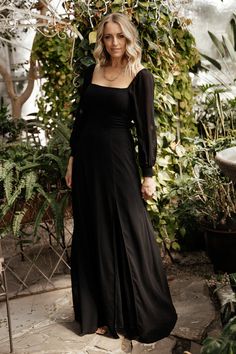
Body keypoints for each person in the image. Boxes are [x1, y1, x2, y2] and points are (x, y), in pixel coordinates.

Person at [65, 12, 177, 351]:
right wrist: (72, 160)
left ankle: (133, 312)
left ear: (129, 39)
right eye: (108, 37)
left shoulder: (140, 75)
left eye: (120, 37)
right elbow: (81, 120)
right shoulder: (92, 70)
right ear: (102, 40)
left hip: (119, 162)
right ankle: (99, 313)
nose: (114, 43)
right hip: (87, 162)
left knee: (127, 230)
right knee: (92, 231)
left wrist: (149, 173)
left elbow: (147, 128)